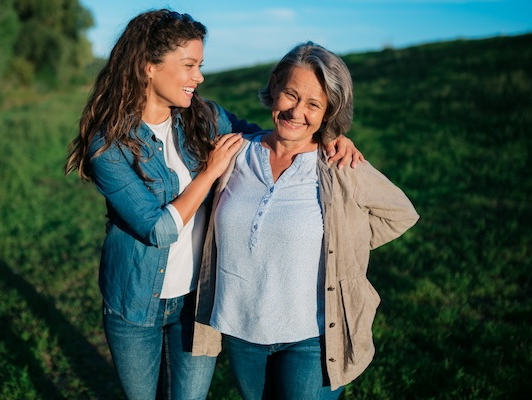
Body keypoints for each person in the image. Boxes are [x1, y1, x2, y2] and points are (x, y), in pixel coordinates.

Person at [64, 9, 364, 399]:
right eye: (189, 66)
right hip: (134, 303)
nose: (199, 77)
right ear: (148, 67)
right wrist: (209, 173)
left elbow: (271, 138)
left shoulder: (203, 118)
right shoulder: (109, 145)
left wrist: (329, 138)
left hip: (196, 301)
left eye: (200, 65)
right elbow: (158, 229)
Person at [192, 42, 420, 399]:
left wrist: (344, 239)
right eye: (290, 95)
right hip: (241, 327)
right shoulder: (235, 153)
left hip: (311, 336)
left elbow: (401, 214)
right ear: (274, 88)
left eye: (314, 104)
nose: (297, 111)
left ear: (329, 112)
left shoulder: (337, 164)